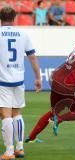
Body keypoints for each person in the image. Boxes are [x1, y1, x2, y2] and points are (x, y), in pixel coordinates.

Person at [0, 6, 42, 160]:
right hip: (18, 80)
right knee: (17, 114)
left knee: (5, 116)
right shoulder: (23, 34)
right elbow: (32, 58)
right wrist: (38, 78)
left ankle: (9, 151)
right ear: (14, 17)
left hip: (2, 81)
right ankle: (19, 148)